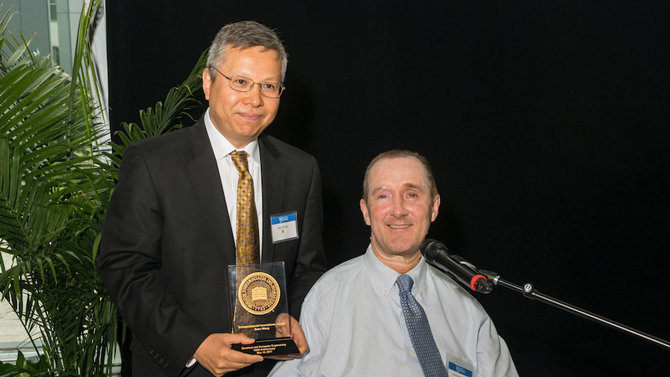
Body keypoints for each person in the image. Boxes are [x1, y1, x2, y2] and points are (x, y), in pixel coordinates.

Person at [97, 21, 327, 377]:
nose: (255, 99)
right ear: (208, 82)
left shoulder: (300, 170)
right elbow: (124, 267)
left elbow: (309, 268)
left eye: (269, 86)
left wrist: (293, 314)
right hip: (183, 367)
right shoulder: (152, 163)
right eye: (240, 82)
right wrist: (194, 344)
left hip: (274, 368)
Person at [269, 150, 518, 377]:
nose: (398, 210)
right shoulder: (328, 297)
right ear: (366, 211)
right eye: (383, 196)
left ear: (434, 207)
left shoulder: (467, 310)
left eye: (411, 195)